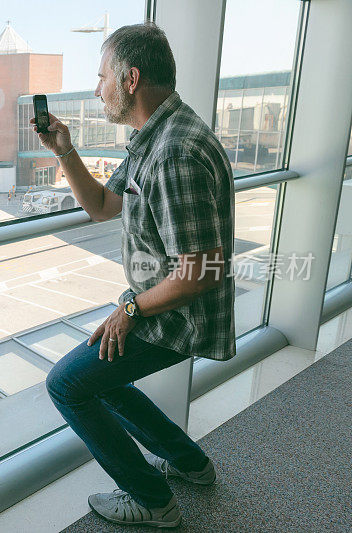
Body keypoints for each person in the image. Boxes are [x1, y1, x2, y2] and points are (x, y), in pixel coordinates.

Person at [36, 23, 234, 529]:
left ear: (130, 79)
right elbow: (103, 206)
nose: (96, 89)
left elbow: (199, 272)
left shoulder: (174, 152)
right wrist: (64, 150)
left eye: (102, 77)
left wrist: (129, 309)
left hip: (180, 313)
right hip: (160, 301)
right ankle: (191, 463)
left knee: (67, 384)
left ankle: (152, 500)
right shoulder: (157, 136)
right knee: (100, 374)